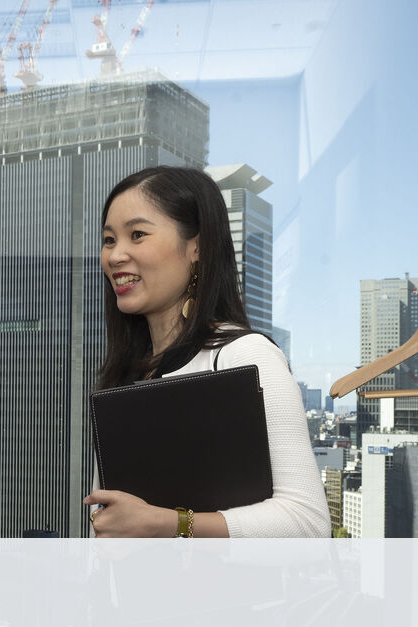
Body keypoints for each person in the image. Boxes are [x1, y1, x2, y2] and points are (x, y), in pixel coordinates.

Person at [85, 166, 328, 538]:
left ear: (196, 245)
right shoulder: (128, 375)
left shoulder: (245, 356)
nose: (116, 255)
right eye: (108, 240)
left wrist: (168, 523)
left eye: (137, 235)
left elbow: (308, 524)